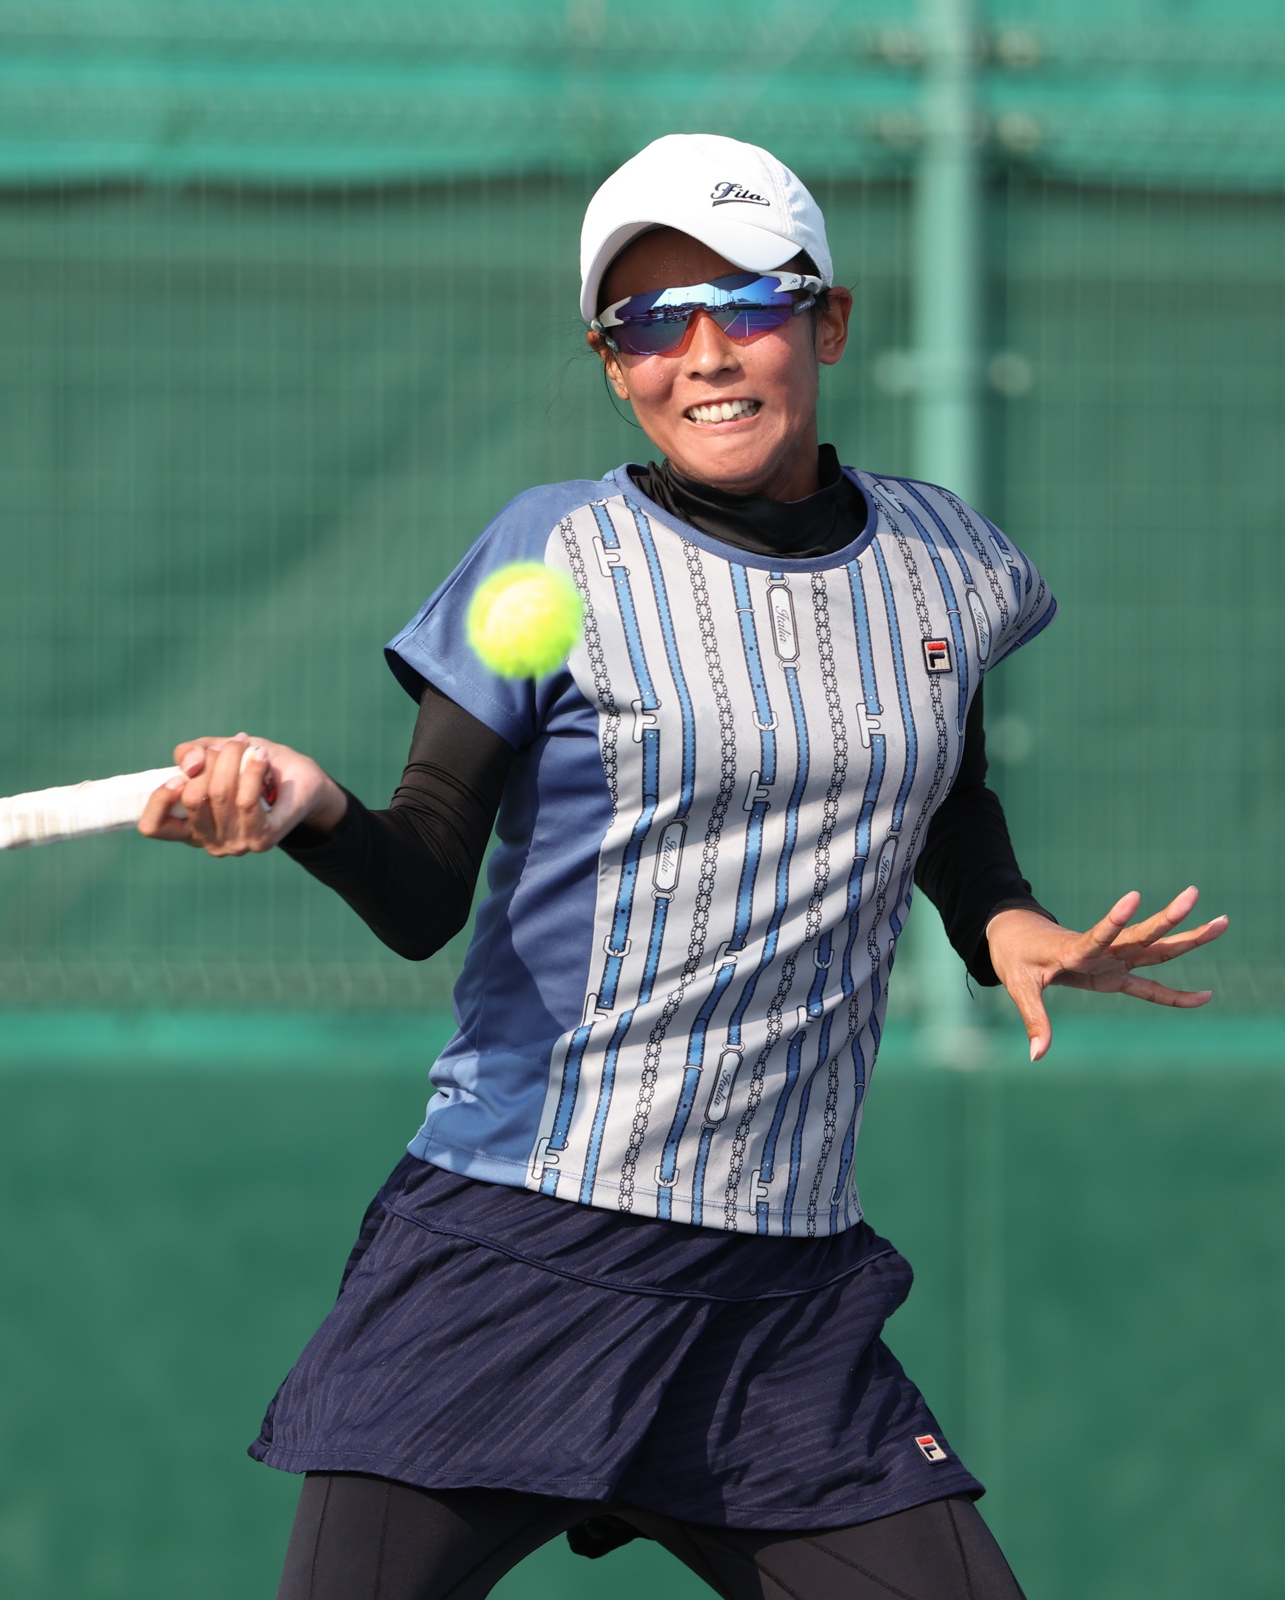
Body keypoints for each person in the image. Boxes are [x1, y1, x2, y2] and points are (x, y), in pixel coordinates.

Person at [137, 134, 1225, 1600]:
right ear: (613, 365)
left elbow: (942, 787)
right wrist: (312, 809)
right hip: (519, 1252)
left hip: (779, 1301)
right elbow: (422, 885)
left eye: (748, 302)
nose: (703, 353)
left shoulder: (947, 566)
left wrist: (1003, 918)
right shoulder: (552, 557)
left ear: (829, 322)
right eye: (649, 321)